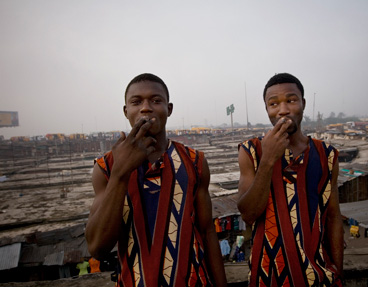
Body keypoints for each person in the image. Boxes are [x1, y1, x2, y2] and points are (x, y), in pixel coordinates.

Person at [85, 73, 227, 286]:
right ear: (126, 111)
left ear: (169, 109)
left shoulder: (194, 162)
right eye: (136, 102)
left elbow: (207, 232)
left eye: (155, 100)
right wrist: (120, 174)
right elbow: (97, 247)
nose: (145, 108)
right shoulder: (106, 168)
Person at [237, 73, 344, 286]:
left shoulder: (327, 155)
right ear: (267, 109)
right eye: (273, 104)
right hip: (267, 278)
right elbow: (248, 214)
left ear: (303, 103)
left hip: (318, 277)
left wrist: (337, 271)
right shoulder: (251, 151)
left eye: (291, 100)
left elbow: (333, 217)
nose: (283, 110)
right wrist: (268, 159)